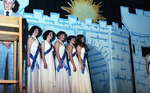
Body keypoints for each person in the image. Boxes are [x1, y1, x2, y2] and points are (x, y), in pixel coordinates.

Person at [0, 0, 19, 93]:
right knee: (0, 69)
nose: (7, 4)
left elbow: (20, 31)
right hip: (0, 44)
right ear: (3, 3)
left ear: (13, 5)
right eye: (6, 2)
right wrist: (3, 40)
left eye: (10, 2)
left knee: (13, 71)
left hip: (13, 45)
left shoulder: (18, 16)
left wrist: (10, 40)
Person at [27, 26, 42, 93]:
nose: (37, 32)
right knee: (32, 74)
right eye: (36, 30)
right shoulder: (30, 38)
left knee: (36, 74)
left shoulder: (37, 40)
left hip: (38, 59)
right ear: (32, 30)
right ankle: (31, 90)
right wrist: (28, 60)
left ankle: (36, 90)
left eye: (38, 31)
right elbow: (28, 50)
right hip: (32, 59)